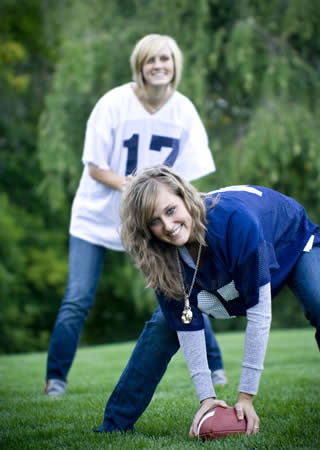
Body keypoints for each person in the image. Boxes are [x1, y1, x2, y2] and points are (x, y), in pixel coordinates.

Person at [44, 34, 227, 396]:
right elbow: (95, 167)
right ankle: (55, 379)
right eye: (150, 60)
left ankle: (216, 366)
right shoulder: (113, 103)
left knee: (182, 288)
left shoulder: (184, 110)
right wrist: (139, 188)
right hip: (96, 218)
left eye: (165, 59)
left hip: (153, 222)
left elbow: (185, 177)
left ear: (175, 64)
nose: (158, 66)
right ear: (139, 66)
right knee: (78, 297)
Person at [106, 164, 319, 437]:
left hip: (291, 240)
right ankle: (114, 426)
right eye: (154, 221)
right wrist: (207, 400)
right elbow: (187, 324)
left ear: (184, 196)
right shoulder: (160, 256)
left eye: (170, 210)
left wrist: (246, 398)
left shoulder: (235, 223)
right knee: (163, 326)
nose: (168, 226)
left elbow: (259, 315)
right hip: (225, 274)